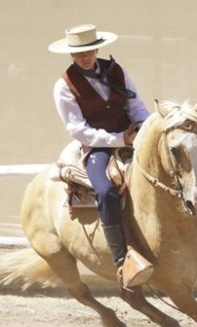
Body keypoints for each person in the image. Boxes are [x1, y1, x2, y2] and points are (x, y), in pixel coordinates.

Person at [48, 24, 151, 281]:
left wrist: (144, 128)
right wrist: (118, 139)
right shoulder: (64, 86)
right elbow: (77, 129)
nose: (86, 56)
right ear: (72, 54)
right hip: (99, 146)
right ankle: (121, 258)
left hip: (131, 134)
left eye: (90, 50)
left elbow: (136, 104)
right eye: (80, 52)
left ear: (96, 49)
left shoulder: (116, 70)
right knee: (105, 190)